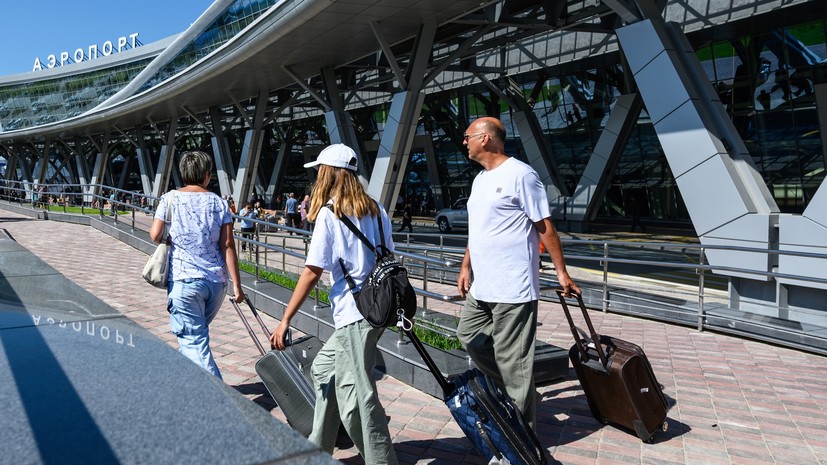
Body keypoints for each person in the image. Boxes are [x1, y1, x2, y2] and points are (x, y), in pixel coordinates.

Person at [268, 144, 398, 465]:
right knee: (325, 371)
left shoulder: (329, 213)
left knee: (357, 400)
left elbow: (313, 271)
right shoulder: (377, 209)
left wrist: (285, 319)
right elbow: (390, 255)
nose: (316, 177)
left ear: (328, 173)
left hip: (355, 313)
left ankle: (381, 461)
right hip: (379, 307)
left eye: (318, 171)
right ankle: (318, 448)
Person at [456, 117, 580, 430]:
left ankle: (523, 437)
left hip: (513, 285)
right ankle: (516, 391)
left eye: (467, 136)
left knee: (515, 363)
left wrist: (562, 273)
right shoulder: (481, 179)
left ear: (485, 138)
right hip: (483, 285)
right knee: (469, 337)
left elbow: (545, 227)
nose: (463, 142)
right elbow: (478, 230)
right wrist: (466, 266)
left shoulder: (521, 175)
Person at [149, 151, 245, 379]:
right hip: (216, 283)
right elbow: (228, 245)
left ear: (183, 173)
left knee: (193, 340)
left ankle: (220, 399)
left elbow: (155, 234)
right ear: (206, 175)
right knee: (194, 337)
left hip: (184, 281)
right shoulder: (220, 203)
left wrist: (173, 238)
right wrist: (238, 286)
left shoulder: (169, 198)